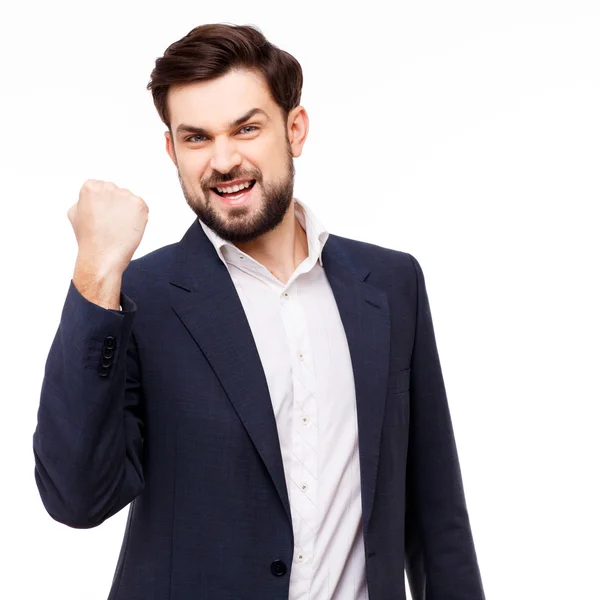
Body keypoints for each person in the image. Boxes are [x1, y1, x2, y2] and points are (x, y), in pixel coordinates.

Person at [33, 23, 486, 600]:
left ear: (294, 129)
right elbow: (76, 498)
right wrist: (96, 271)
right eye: (196, 138)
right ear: (172, 149)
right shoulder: (139, 296)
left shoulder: (391, 286)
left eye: (246, 128)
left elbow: (436, 511)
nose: (223, 161)